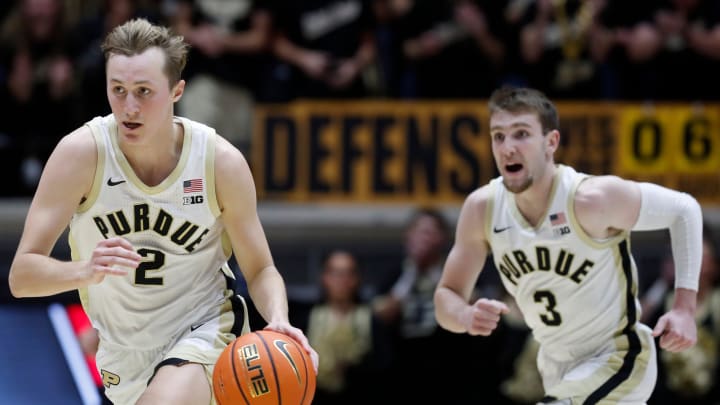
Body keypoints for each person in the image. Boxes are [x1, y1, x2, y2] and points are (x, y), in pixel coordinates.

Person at [8, 18, 317, 405]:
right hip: (124, 355)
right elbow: (21, 277)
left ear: (176, 91)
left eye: (143, 91)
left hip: (204, 331)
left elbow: (260, 269)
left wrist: (278, 320)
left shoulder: (219, 163)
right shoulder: (80, 155)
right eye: (117, 90)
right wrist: (83, 270)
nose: (129, 106)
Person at [434, 85, 703, 404]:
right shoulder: (482, 209)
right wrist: (464, 316)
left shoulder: (590, 199)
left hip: (618, 358)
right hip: (556, 369)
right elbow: (446, 295)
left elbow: (685, 209)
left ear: (551, 142)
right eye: (498, 136)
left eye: (521, 134)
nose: (507, 148)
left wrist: (685, 308)